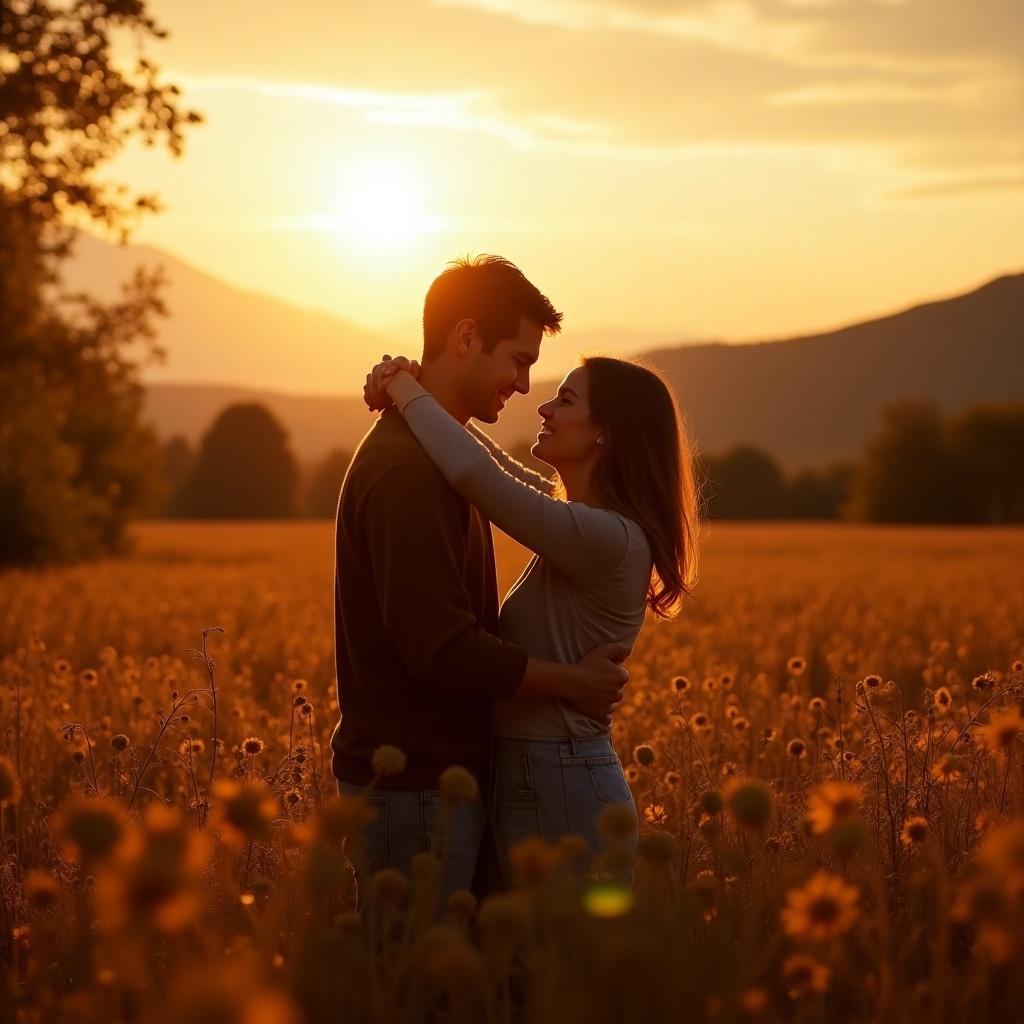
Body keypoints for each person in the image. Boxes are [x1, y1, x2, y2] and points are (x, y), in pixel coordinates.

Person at [330, 255, 632, 909]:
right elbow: (442, 650)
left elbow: (489, 474)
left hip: (436, 782)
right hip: (410, 788)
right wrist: (575, 682)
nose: (526, 387)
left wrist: (408, 391)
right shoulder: (409, 472)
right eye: (519, 361)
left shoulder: (441, 459)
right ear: (466, 337)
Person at [363, 337, 701, 886]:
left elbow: (477, 476)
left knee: (553, 965)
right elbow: (495, 467)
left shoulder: (607, 538)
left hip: (560, 776)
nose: (542, 407)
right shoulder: (588, 525)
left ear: (605, 432)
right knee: (529, 963)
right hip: (545, 771)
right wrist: (419, 393)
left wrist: (404, 388)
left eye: (564, 400)